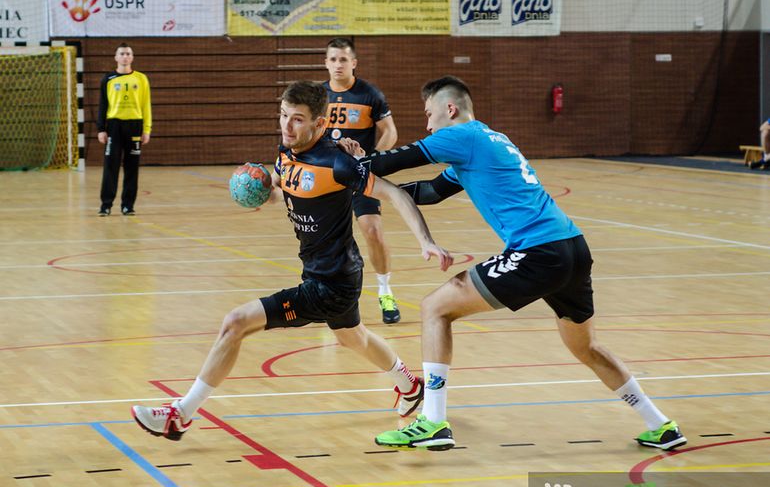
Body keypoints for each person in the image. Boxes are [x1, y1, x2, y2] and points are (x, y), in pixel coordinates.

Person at [337, 76, 687, 452]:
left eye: (428, 114)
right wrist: (381, 191)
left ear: (449, 109)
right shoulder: (486, 140)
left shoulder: (460, 136)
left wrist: (349, 163)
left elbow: (391, 162)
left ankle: (433, 422)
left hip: (538, 252)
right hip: (572, 247)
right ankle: (660, 425)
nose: (427, 125)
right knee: (586, 347)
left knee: (434, 308)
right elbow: (430, 192)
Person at [130, 81, 453, 440]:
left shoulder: (337, 162)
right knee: (354, 337)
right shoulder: (286, 152)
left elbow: (394, 193)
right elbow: (282, 187)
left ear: (320, 123)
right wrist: (259, 192)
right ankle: (410, 386)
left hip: (330, 284)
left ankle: (180, 415)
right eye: (283, 115)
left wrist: (426, 241)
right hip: (333, 271)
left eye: (297, 119)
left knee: (235, 323)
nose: (287, 125)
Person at [323, 38, 402, 324]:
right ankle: (330, 297)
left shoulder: (369, 94)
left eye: (343, 59)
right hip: (326, 178)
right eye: (333, 59)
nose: (338, 65)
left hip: (359, 176)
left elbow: (390, 132)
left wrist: (372, 161)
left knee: (373, 232)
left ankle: (385, 292)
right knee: (328, 240)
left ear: (354, 63)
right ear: (326, 63)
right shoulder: (318, 96)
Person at [96, 43, 152, 216]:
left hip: (135, 125)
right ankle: (106, 205)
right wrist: (101, 129)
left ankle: (127, 205)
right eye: (122, 53)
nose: (125, 56)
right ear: (116, 57)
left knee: (132, 167)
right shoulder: (108, 79)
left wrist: (147, 129)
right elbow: (103, 105)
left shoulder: (141, 79)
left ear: (132, 57)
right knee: (110, 166)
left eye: (128, 53)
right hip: (114, 126)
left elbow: (146, 105)